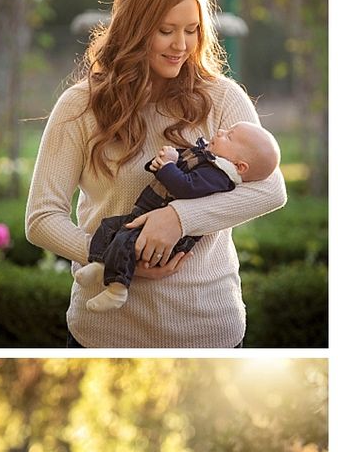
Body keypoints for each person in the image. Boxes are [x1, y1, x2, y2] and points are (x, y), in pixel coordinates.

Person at [25, 0, 287, 347]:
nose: (181, 45)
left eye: (192, 30)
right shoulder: (79, 105)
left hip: (208, 329)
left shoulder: (222, 98)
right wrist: (112, 256)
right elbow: (41, 218)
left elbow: (271, 189)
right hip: (103, 333)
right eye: (166, 31)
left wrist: (179, 218)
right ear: (133, 29)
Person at [75, 123, 280, 312]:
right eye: (225, 130)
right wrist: (163, 162)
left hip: (165, 237)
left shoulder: (218, 176)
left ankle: (117, 289)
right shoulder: (209, 158)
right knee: (109, 227)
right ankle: (101, 264)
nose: (220, 132)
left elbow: (185, 187)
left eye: (229, 137)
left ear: (240, 166)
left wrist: (168, 168)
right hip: (144, 212)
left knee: (125, 239)